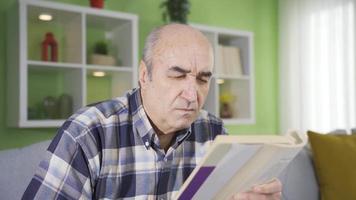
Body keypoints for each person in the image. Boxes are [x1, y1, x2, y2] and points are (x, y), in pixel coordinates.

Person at [23, 23, 282, 200]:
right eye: (178, 76)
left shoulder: (213, 132)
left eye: (203, 79)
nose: (193, 96)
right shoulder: (88, 132)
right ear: (144, 75)